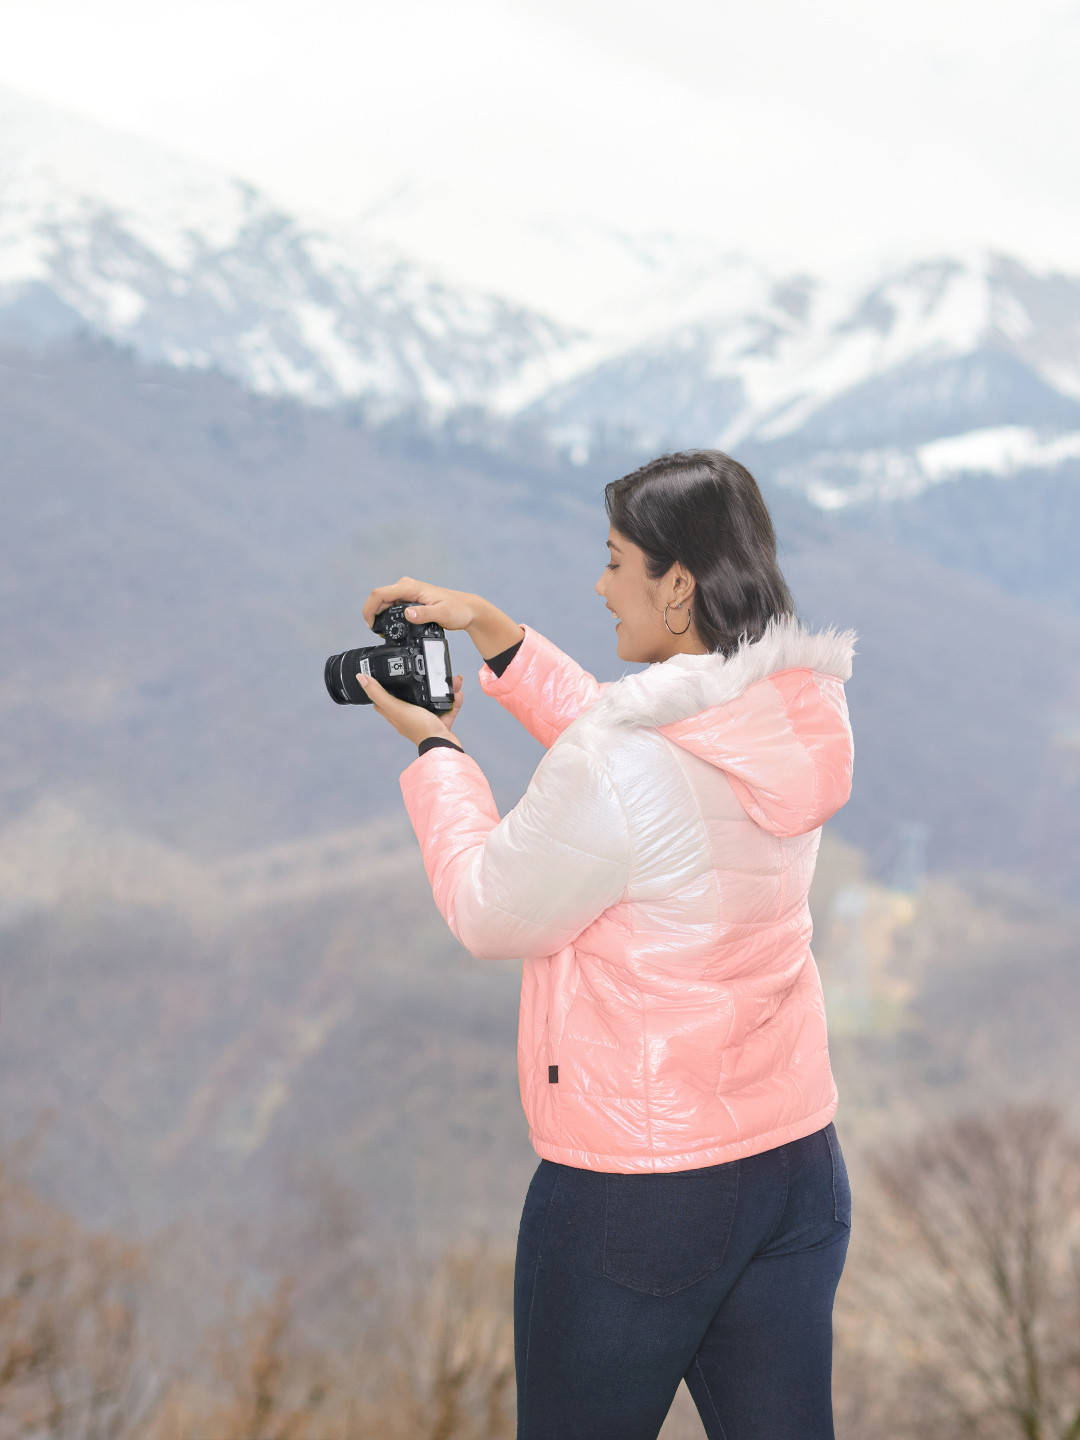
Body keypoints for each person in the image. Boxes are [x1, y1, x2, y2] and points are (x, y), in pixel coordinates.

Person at [357, 449, 856, 1440]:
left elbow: (488, 907)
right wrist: (500, 642)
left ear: (677, 585)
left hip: (642, 1194)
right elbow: (640, 756)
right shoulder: (783, 715)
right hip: (794, 1166)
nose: (598, 582)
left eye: (616, 560)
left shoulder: (622, 766)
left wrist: (439, 753)